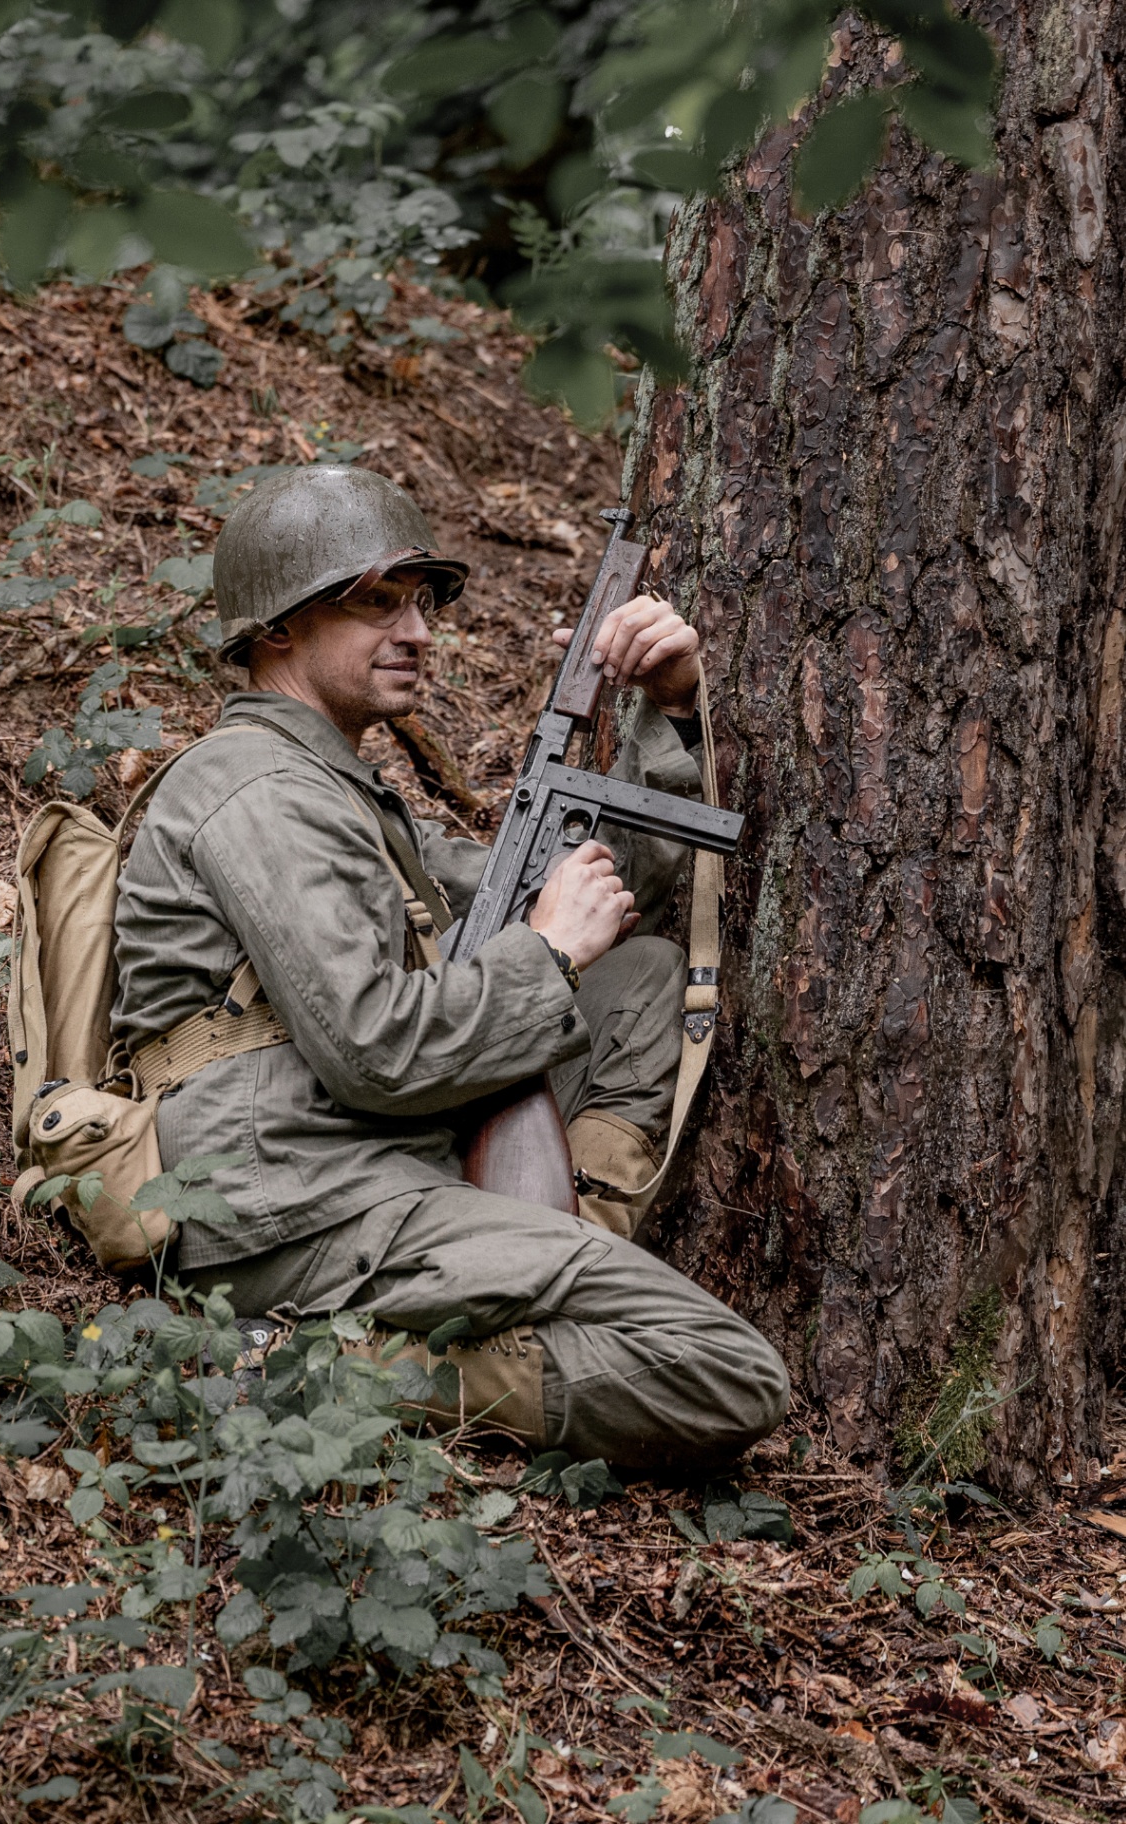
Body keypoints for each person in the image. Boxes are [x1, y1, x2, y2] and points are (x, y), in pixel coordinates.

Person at [112, 466, 788, 1473]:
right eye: (375, 603)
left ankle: (549, 1239)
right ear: (277, 629)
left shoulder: (338, 795)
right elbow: (372, 1049)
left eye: (421, 603)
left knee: (637, 975)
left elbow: (618, 886)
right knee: (726, 1368)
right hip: (292, 1197)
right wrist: (546, 950)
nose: (418, 631)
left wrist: (669, 706)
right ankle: (306, 1367)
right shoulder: (251, 784)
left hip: (361, 1167)